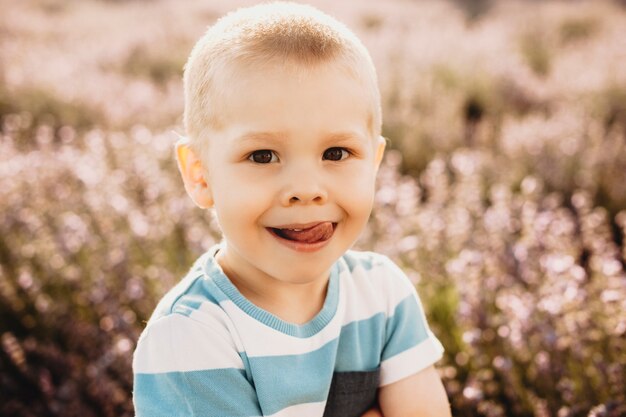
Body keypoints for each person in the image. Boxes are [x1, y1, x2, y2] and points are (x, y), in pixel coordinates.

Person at [132, 2, 451, 416]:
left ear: (374, 162)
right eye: (263, 156)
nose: (305, 191)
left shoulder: (383, 296)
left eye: (336, 152)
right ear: (200, 174)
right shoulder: (190, 337)